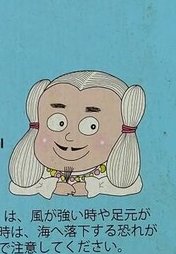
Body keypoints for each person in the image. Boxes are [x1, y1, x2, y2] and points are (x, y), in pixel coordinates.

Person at [8, 69, 145, 198]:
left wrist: (91, 188)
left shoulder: (114, 173)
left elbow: (132, 187)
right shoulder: (36, 171)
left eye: (91, 126)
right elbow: (18, 187)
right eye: (59, 122)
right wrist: (51, 187)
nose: (70, 136)